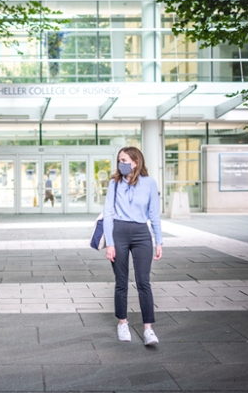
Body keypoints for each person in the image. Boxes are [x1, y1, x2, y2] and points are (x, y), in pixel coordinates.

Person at [102, 146, 163, 346]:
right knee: (121, 282)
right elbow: (108, 213)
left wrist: (159, 240)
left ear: (135, 162)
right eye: (120, 160)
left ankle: (148, 329)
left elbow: (154, 213)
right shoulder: (115, 183)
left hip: (141, 234)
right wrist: (109, 243)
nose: (121, 164)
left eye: (125, 160)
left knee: (143, 282)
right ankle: (122, 323)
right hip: (118, 232)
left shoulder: (150, 183)